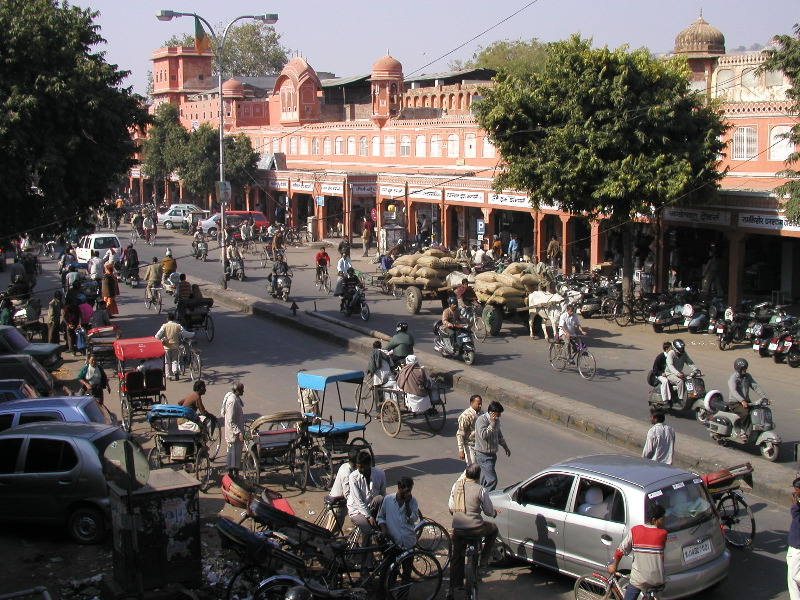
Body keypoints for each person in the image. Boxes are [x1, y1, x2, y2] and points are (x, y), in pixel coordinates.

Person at [446, 463, 499, 600]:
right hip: (476, 529)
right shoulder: (481, 490)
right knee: (493, 529)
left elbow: (451, 507)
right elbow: (488, 510)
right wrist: (494, 513)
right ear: (478, 476)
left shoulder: (457, 486)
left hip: (458, 530)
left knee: (456, 557)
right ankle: (484, 560)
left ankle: (452, 588)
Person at [607, 504, 668, 600]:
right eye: (662, 519)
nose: (664, 522)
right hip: (659, 579)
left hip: (639, 579)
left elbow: (620, 551)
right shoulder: (663, 533)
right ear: (654, 520)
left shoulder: (635, 531)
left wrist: (614, 565)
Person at [347, 450, 386, 573]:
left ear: (369, 465)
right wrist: (369, 517)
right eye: (358, 467)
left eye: (362, 467)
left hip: (370, 506)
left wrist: (381, 518)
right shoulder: (353, 477)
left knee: (383, 524)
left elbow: (382, 495)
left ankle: (386, 557)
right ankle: (365, 566)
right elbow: (358, 501)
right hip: (356, 510)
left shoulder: (380, 474)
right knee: (368, 531)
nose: (360, 470)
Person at [474, 401, 511, 491]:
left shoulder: (496, 421)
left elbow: (499, 435)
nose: (499, 416)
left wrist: (505, 447)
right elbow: (484, 435)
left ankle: (481, 495)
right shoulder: (482, 420)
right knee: (492, 479)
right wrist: (492, 423)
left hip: (492, 455)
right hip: (483, 456)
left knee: (484, 480)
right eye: (498, 414)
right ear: (492, 413)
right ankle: (487, 496)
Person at [727, 357, 767, 436]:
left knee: (756, 411)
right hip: (735, 403)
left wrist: (764, 397)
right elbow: (733, 391)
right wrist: (742, 400)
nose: (745, 370)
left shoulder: (747, 376)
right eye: (743, 368)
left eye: (745, 368)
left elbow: (755, 386)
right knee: (745, 413)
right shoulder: (733, 378)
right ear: (738, 368)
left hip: (746, 401)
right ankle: (743, 431)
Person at [378, 476, 420, 551]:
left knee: (409, 559)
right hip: (393, 542)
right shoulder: (388, 500)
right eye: (407, 491)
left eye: (410, 491)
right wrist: (384, 530)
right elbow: (381, 517)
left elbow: (413, 519)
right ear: (399, 487)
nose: (409, 493)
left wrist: (407, 504)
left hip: (408, 541)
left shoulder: (413, 501)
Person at [154, 311, 195, 381]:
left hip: (166, 347)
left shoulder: (164, 326)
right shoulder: (178, 326)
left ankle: (169, 375)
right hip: (175, 346)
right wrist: (193, 333)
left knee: (167, 362)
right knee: (174, 360)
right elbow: (185, 334)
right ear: (174, 318)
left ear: (167, 319)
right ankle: (175, 371)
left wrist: (161, 340)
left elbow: (157, 336)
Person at [328, 447, 360, 532]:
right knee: (333, 532)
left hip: (340, 504)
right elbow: (347, 494)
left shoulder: (346, 466)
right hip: (337, 505)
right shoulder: (347, 472)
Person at [222, 381, 246, 478]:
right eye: (242, 390)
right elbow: (230, 420)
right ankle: (231, 475)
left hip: (236, 432)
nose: (243, 391)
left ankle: (235, 474)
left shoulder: (236, 399)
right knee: (232, 455)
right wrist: (238, 432)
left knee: (236, 455)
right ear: (237, 390)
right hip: (233, 434)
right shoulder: (232, 401)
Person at [665, 339, 698, 408]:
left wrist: (696, 369)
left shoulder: (684, 354)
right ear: (675, 348)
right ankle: (680, 399)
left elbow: (689, 362)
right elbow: (670, 366)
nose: (681, 349)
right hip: (670, 373)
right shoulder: (671, 353)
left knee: (690, 378)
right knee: (680, 381)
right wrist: (677, 373)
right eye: (680, 348)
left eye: (682, 348)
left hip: (679, 373)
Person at [457, 394, 483, 465]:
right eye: (478, 404)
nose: (480, 406)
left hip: (479, 445)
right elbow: (460, 434)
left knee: (478, 467)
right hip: (469, 446)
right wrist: (461, 450)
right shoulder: (465, 416)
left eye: (481, 404)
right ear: (471, 403)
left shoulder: (481, 413)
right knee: (472, 467)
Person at [788, 477, 800, 600]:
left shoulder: (797, 504)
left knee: (795, 576)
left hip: (797, 546)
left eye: (796, 489)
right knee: (792, 580)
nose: (794, 492)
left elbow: (798, 522)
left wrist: (795, 506)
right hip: (795, 545)